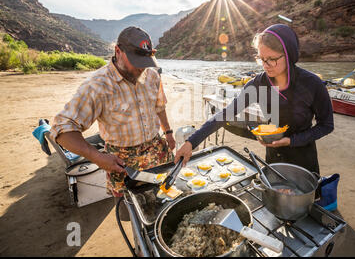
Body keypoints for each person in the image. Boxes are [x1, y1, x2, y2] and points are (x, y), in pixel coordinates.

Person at [50, 26, 176, 220]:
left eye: (145, 61)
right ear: (118, 51)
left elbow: (159, 106)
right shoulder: (97, 85)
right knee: (133, 216)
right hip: (122, 163)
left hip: (157, 153)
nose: (141, 68)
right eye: (136, 61)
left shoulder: (152, 75)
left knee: (165, 205)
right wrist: (97, 157)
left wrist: (168, 132)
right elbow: (61, 129)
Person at [175, 24, 334, 175]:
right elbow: (226, 113)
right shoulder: (258, 84)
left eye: (271, 59)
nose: (265, 65)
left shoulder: (312, 83)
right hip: (274, 157)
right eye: (261, 58)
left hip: (304, 159)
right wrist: (191, 142)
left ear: (288, 55)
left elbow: (326, 125)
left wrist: (292, 141)